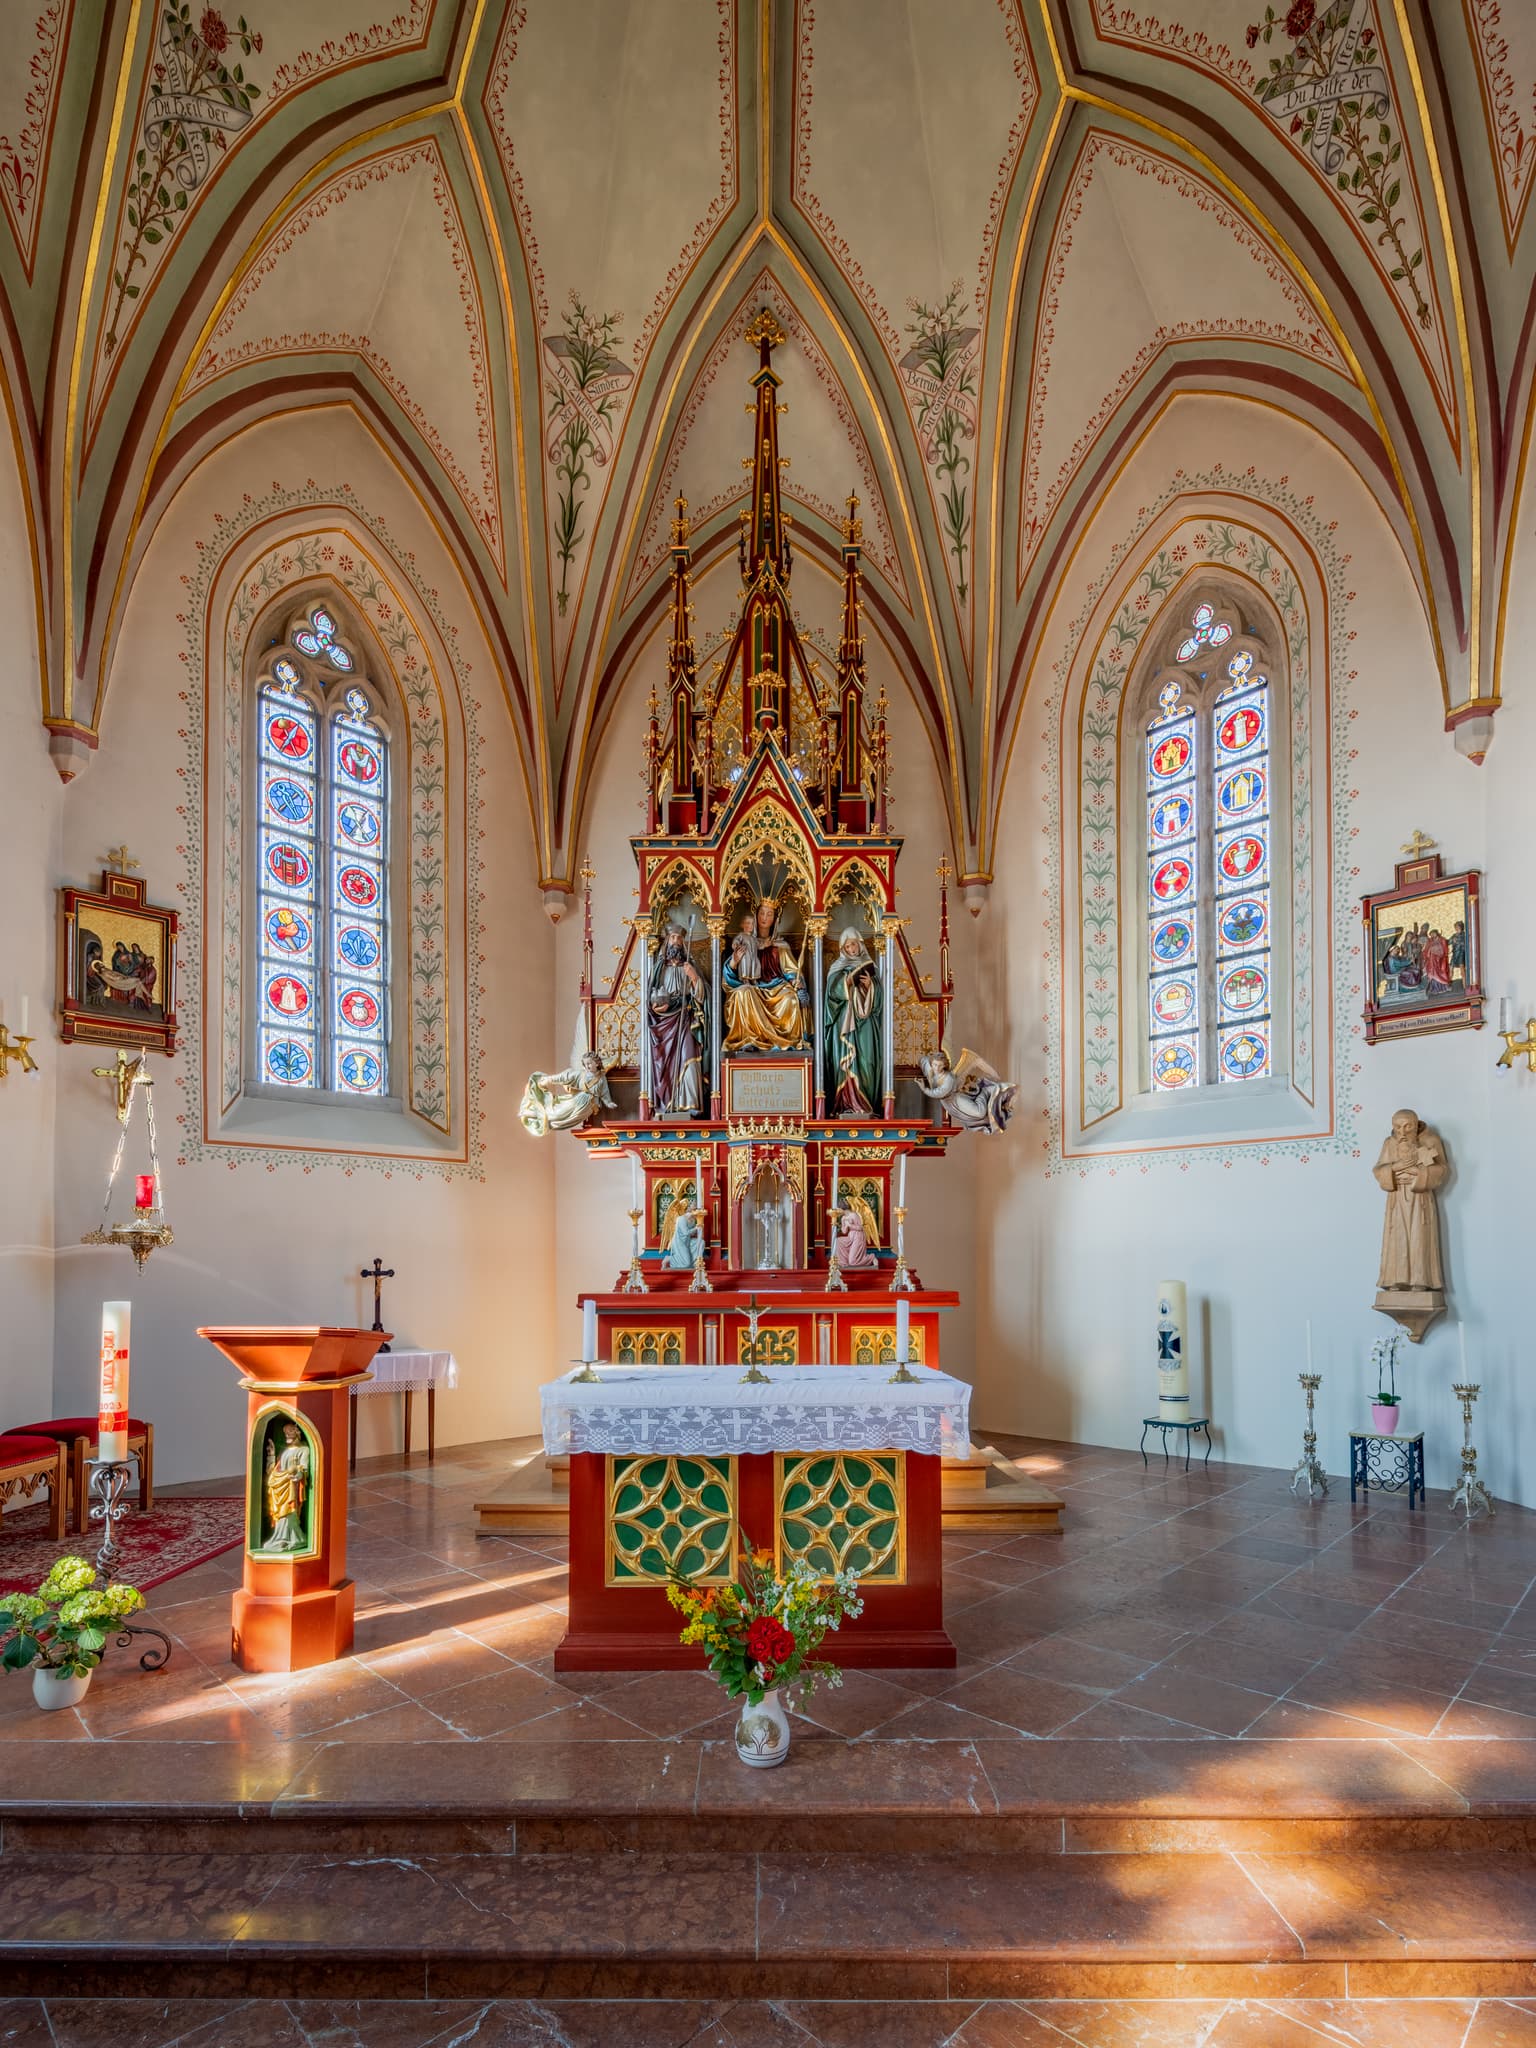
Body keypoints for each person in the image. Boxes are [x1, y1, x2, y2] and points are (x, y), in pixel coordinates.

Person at [1372, 1108, 1447, 1295]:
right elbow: (1378, 1169)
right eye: (1397, 1127)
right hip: (1396, 1197)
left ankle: (1420, 1281)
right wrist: (1394, 1167)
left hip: (1419, 1196)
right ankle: (1395, 1280)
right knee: (1397, 1237)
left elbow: (1442, 1169)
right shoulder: (1389, 1144)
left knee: (1418, 1236)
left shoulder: (1430, 1142)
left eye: (1407, 1127)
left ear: (1416, 1125)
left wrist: (1417, 1172)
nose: (1402, 1132)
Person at [722, 899, 808, 1053]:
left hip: (775, 987)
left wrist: (796, 980)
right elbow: (729, 975)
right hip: (752, 986)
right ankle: (749, 1040)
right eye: (761, 913)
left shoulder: (781, 945)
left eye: (769, 914)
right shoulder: (746, 941)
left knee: (790, 997)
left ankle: (785, 1042)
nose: (764, 918)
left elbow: (791, 970)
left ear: (775, 919)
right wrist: (735, 961)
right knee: (744, 993)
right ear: (755, 916)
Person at [647, 923, 708, 1116]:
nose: (676, 942)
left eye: (679, 938)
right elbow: (650, 996)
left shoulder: (689, 966)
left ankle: (689, 1103)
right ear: (667, 941)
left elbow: (702, 997)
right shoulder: (659, 968)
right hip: (664, 1022)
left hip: (685, 1017)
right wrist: (656, 1006)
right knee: (664, 1061)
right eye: (673, 937)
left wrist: (694, 978)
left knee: (689, 1056)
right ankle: (666, 1105)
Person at [824, 928, 882, 1116]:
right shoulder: (836, 968)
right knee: (844, 1063)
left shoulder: (872, 967)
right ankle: (844, 1104)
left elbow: (881, 1002)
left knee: (866, 1061)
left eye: (853, 944)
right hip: (843, 1024)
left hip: (865, 1026)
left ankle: (865, 1106)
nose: (851, 949)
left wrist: (870, 986)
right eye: (847, 946)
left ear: (860, 943)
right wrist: (847, 982)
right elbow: (830, 996)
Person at [917, 1047, 1018, 1134]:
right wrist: (922, 1058)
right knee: (977, 1116)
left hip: (956, 1100)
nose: (937, 1068)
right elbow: (923, 1061)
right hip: (948, 1105)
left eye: (940, 1065)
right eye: (934, 1065)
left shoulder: (949, 1078)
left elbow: (939, 1093)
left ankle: (985, 1092)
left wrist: (923, 1088)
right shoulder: (930, 1070)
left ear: (944, 1065)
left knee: (980, 1113)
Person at [519, 1050, 615, 1136]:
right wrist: (548, 1080)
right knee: (558, 1113)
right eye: (585, 1064)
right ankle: (533, 1113)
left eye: (589, 1063)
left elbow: (604, 1092)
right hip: (579, 1100)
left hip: (589, 1107)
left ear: (597, 1063)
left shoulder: (602, 1078)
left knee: (565, 1121)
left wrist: (608, 1102)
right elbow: (564, 1077)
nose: (587, 1066)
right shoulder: (581, 1074)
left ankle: (537, 1116)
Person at [263, 1422, 311, 1552]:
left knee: (289, 1514)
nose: (287, 1435)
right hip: (278, 1488)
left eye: (290, 1432)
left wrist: (299, 1473)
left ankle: (295, 1539)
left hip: (290, 1487)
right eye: (285, 1433)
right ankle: (279, 1539)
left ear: (297, 1432)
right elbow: (272, 1471)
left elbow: (304, 1468)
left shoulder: (304, 1449)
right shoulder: (284, 1450)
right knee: (280, 1516)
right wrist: (272, 1454)